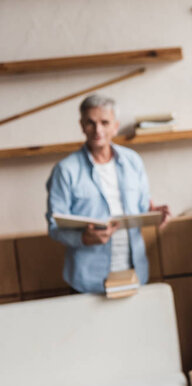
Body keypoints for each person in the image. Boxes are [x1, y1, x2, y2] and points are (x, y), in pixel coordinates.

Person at [46, 94, 170, 294]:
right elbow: (54, 227)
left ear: (115, 125)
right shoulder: (65, 170)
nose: (98, 130)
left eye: (104, 122)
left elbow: (141, 207)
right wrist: (85, 238)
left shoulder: (133, 162)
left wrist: (153, 212)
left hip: (134, 273)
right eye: (91, 123)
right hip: (88, 281)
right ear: (82, 125)